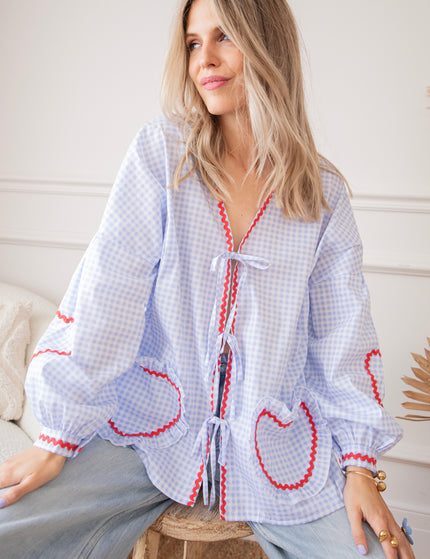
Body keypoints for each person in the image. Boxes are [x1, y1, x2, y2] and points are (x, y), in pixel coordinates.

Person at [0, 1, 416, 558]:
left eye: (225, 37)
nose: (204, 60)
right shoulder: (162, 156)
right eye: (194, 43)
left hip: (276, 456)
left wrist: (360, 470)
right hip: (147, 439)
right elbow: (108, 298)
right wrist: (57, 439)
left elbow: (344, 342)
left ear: (268, 47)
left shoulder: (321, 195)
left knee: (380, 554)